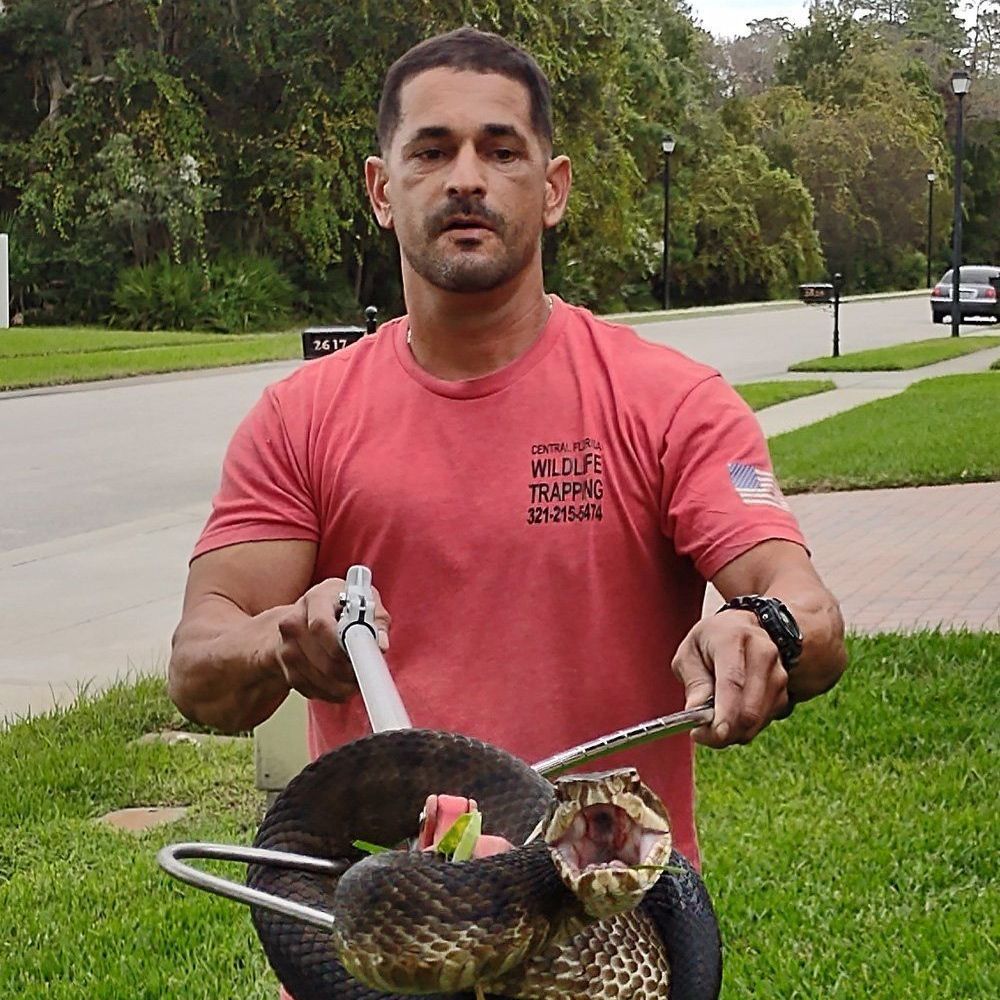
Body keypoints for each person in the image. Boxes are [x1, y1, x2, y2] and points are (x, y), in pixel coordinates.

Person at [168, 27, 847, 875]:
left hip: (610, 931)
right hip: (392, 926)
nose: (465, 178)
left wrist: (762, 627)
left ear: (553, 187)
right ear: (382, 190)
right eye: (431, 151)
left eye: (500, 150)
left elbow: (810, 612)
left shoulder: (670, 400)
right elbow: (199, 664)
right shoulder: (300, 418)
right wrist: (279, 637)